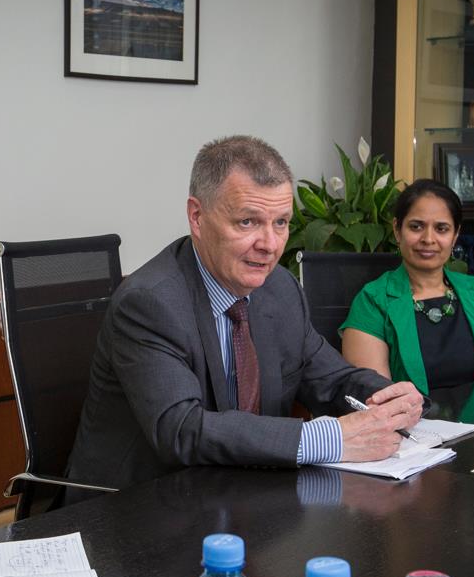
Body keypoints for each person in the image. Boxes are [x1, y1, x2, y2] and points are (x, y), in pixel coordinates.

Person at [64, 135, 424, 498]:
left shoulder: (279, 288)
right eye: (248, 222)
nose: (270, 244)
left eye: (281, 222)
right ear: (197, 217)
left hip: (241, 496)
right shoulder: (149, 303)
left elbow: (331, 379)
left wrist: (387, 399)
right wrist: (332, 438)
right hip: (138, 505)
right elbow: (181, 430)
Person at [339, 179, 474, 395]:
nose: (428, 239)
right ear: (397, 230)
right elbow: (377, 400)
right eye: (416, 226)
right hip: (407, 417)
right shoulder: (372, 302)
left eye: (442, 228)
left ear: (455, 235)